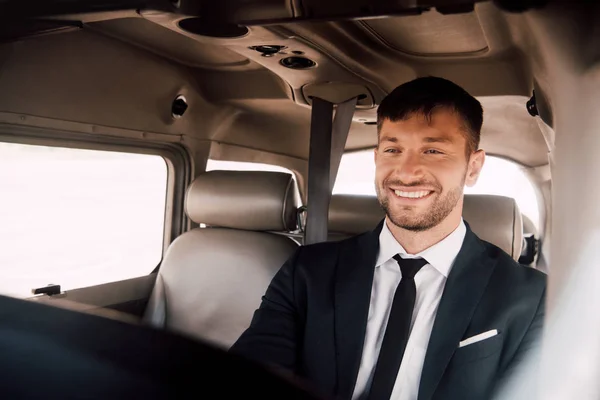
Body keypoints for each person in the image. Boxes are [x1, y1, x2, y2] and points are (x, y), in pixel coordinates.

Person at [230, 77, 547, 400]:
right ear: (377, 157)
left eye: (433, 150)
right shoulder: (309, 272)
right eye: (393, 149)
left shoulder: (528, 297)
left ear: (473, 167)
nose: (407, 172)